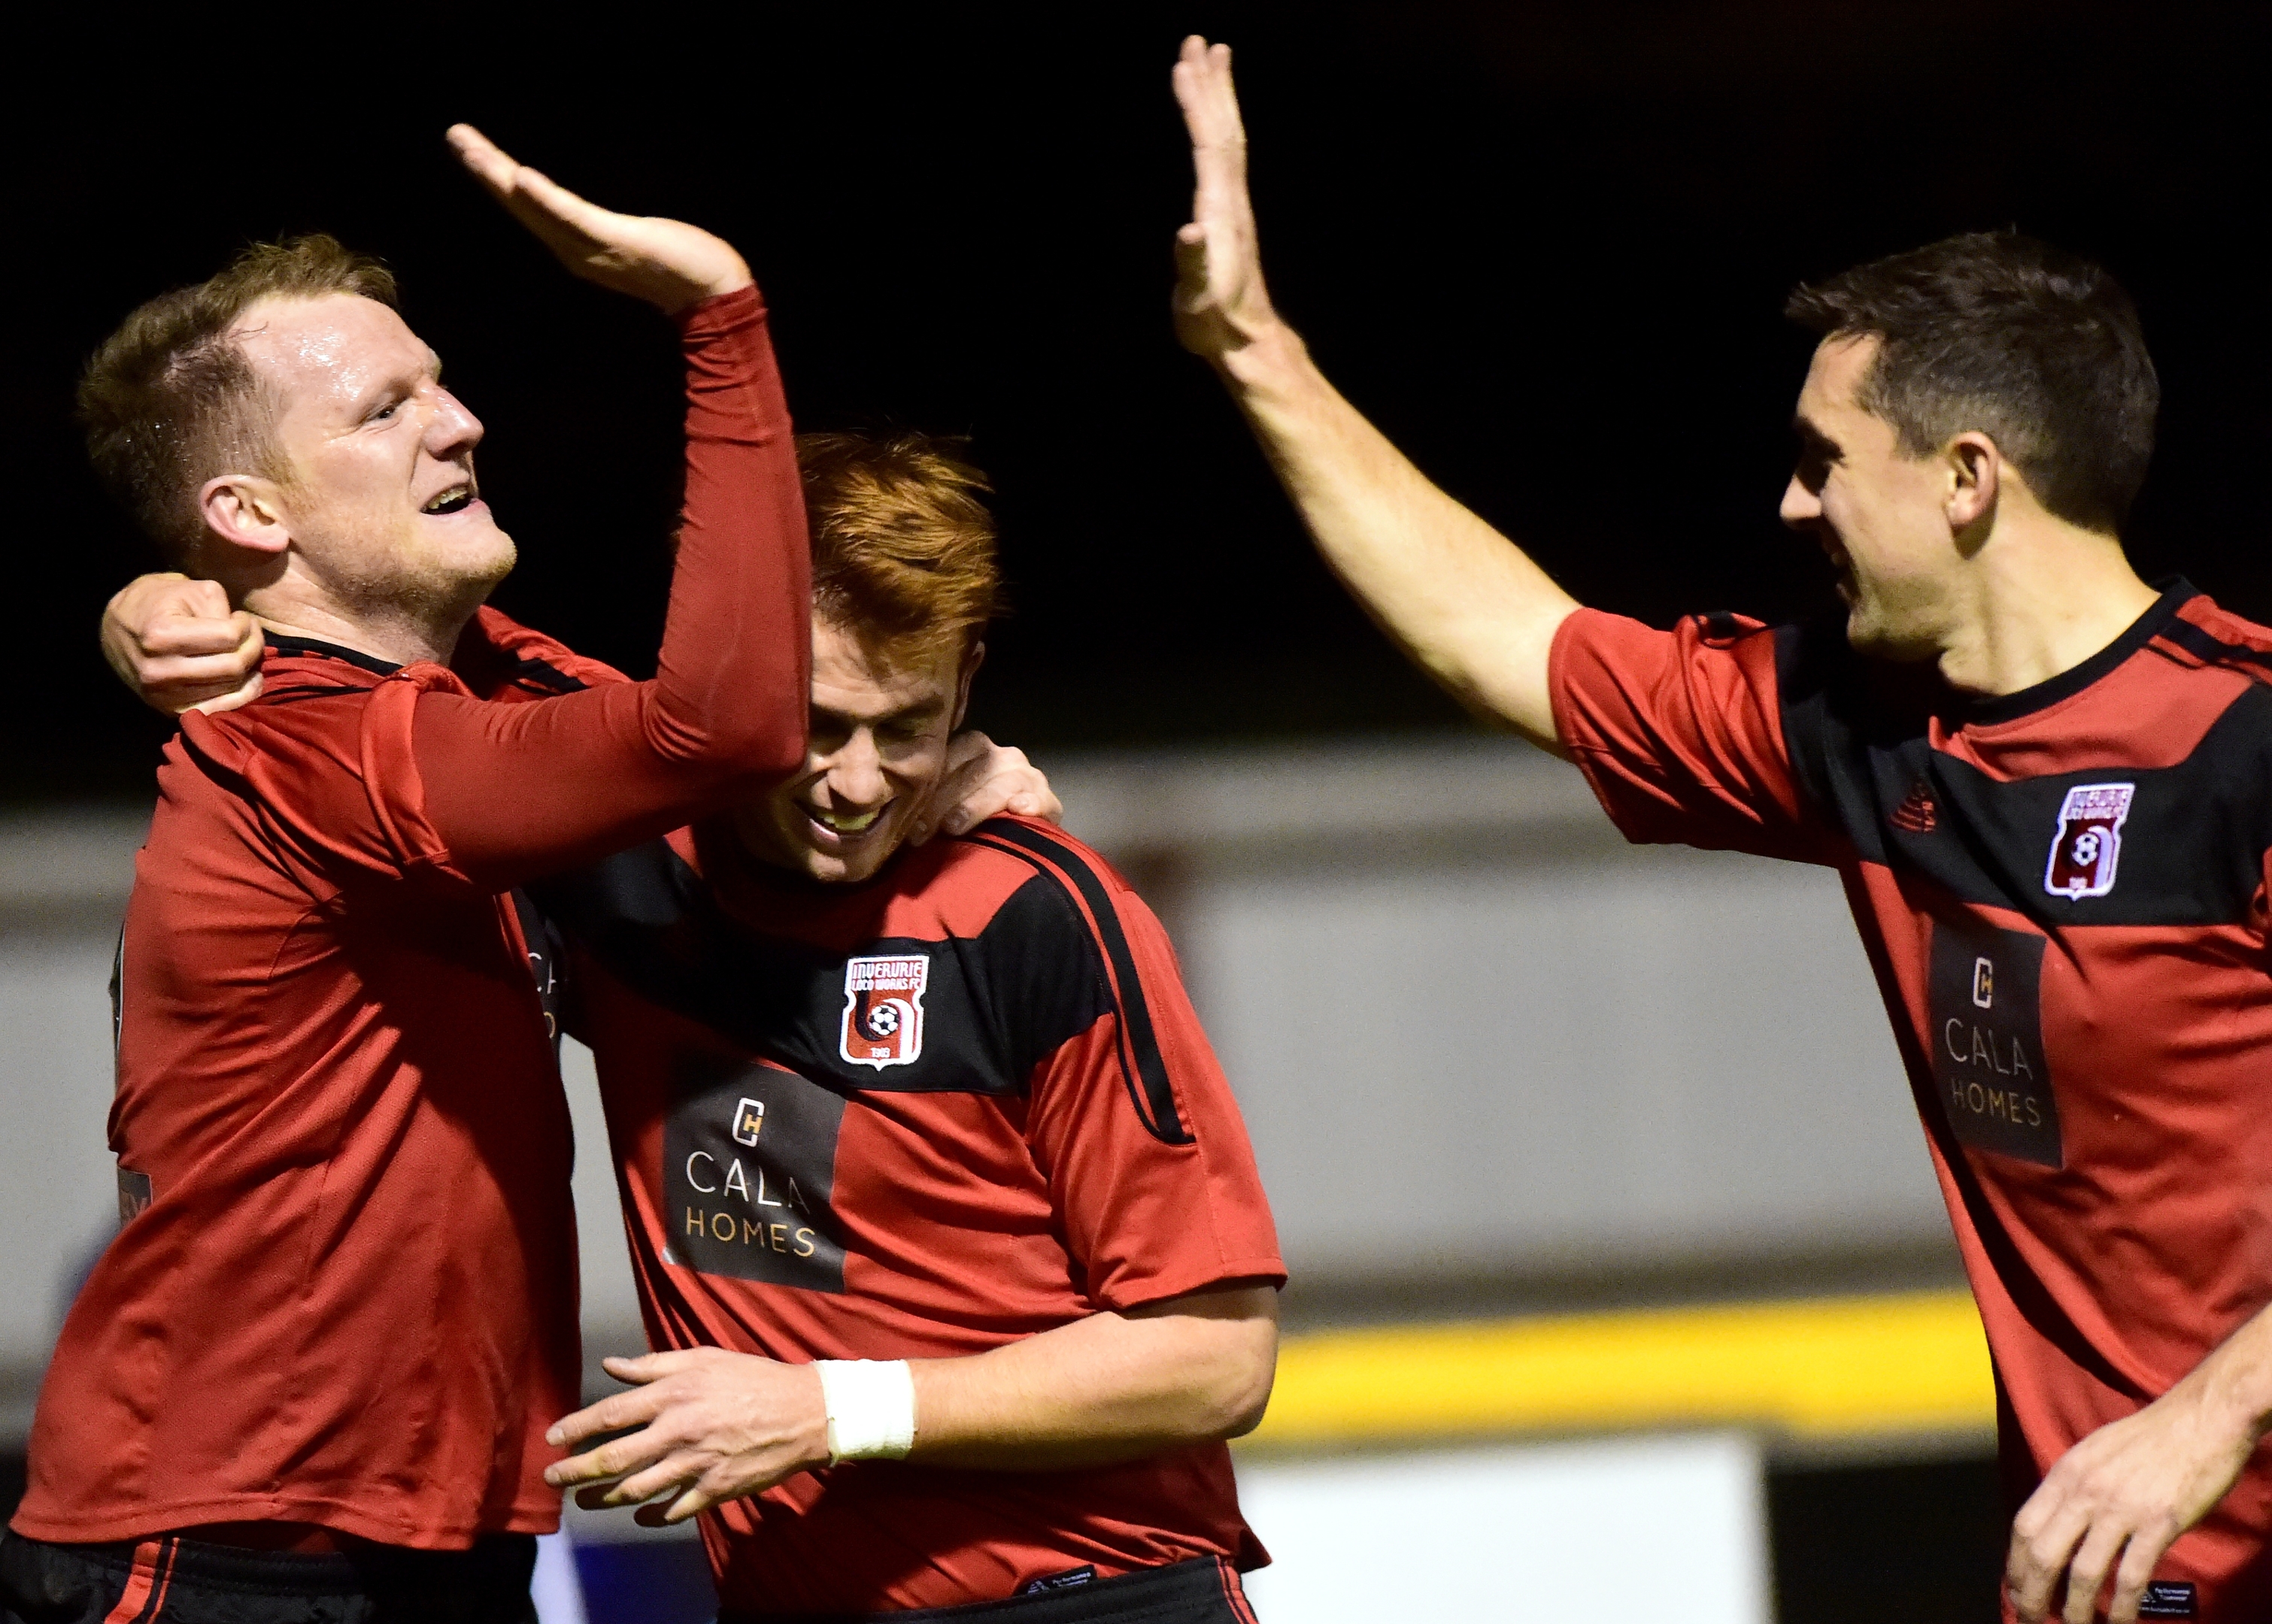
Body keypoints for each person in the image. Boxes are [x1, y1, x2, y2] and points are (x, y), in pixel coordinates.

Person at [1170, 33, 2272, 1624]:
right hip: (2120, 1584)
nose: (1789, 506)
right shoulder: (1858, 722)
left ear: (1967, 477)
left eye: (1826, 461)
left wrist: (2204, 1417)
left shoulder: (2239, 742)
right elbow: (1510, 642)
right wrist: (1255, 353)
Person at [106, 432, 1285, 1624]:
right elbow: (355, 643)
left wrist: (827, 1411)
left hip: (1094, 1598)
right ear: (730, 680)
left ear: (968, 681)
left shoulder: (1036, 912)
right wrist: (148, 608)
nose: (860, 784)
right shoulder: (617, 846)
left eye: (906, 725)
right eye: (814, 726)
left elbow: (1213, 1359)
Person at [2, 129, 811, 1624]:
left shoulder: (449, 704)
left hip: (418, 1536)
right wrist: (717, 318)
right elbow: (724, 723)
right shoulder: (310, 740)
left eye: (438, 383)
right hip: (231, 1541)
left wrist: (958, 782)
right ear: (250, 514)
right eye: (386, 409)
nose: (463, 423)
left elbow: (740, 747)